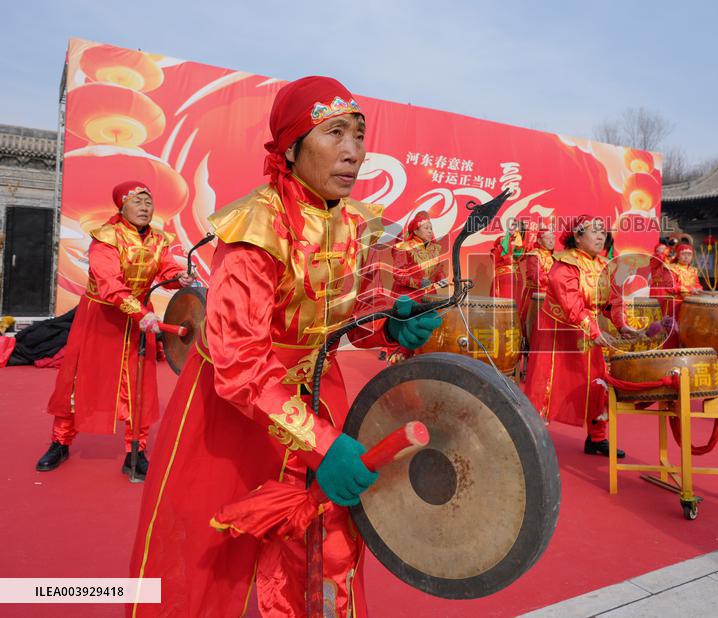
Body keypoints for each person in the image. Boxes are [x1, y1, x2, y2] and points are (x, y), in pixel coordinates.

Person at [128, 76, 441, 618]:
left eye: (359, 135)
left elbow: (342, 316)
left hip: (320, 392)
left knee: (329, 546)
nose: (353, 152)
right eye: (334, 133)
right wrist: (322, 443)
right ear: (291, 148)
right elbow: (240, 362)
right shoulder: (256, 228)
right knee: (214, 557)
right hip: (235, 413)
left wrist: (389, 328)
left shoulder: (350, 222)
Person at [35, 181, 193, 477]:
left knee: (139, 384)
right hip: (102, 319)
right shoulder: (106, 237)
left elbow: (165, 270)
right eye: (138, 202)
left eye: (149, 202)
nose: (145, 208)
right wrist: (140, 312)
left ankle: (137, 449)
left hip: (138, 321)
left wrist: (178, 278)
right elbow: (109, 284)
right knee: (78, 380)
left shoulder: (159, 239)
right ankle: (60, 441)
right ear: (122, 207)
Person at [523, 216, 638, 457]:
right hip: (557, 334)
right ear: (577, 236)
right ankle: (529, 438)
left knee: (597, 383)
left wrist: (622, 324)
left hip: (588, 333)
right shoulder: (564, 264)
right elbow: (570, 304)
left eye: (603, 232)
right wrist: (595, 331)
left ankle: (597, 438)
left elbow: (613, 300)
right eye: (594, 232)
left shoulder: (606, 265)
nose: (600, 236)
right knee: (546, 385)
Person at [390, 210, 447, 299]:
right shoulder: (404, 247)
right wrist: (419, 283)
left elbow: (438, 269)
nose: (430, 231)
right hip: (407, 296)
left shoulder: (434, 249)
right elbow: (399, 274)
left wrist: (441, 278)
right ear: (416, 231)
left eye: (431, 228)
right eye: (426, 228)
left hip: (429, 295)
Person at [518, 221, 555, 336]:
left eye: (553, 238)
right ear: (539, 241)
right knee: (530, 321)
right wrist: (555, 279)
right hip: (534, 294)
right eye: (548, 238)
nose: (551, 241)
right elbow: (536, 276)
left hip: (550, 295)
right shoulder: (534, 255)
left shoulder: (554, 256)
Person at [491, 223, 524, 299]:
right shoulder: (501, 242)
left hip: (517, 278)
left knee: (516, 303)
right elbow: (505, 259)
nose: (516, 231)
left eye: (519, 230)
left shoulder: (519, 244)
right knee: (503, 303)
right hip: (504, 278)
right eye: (513, 227)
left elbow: (519, 257)